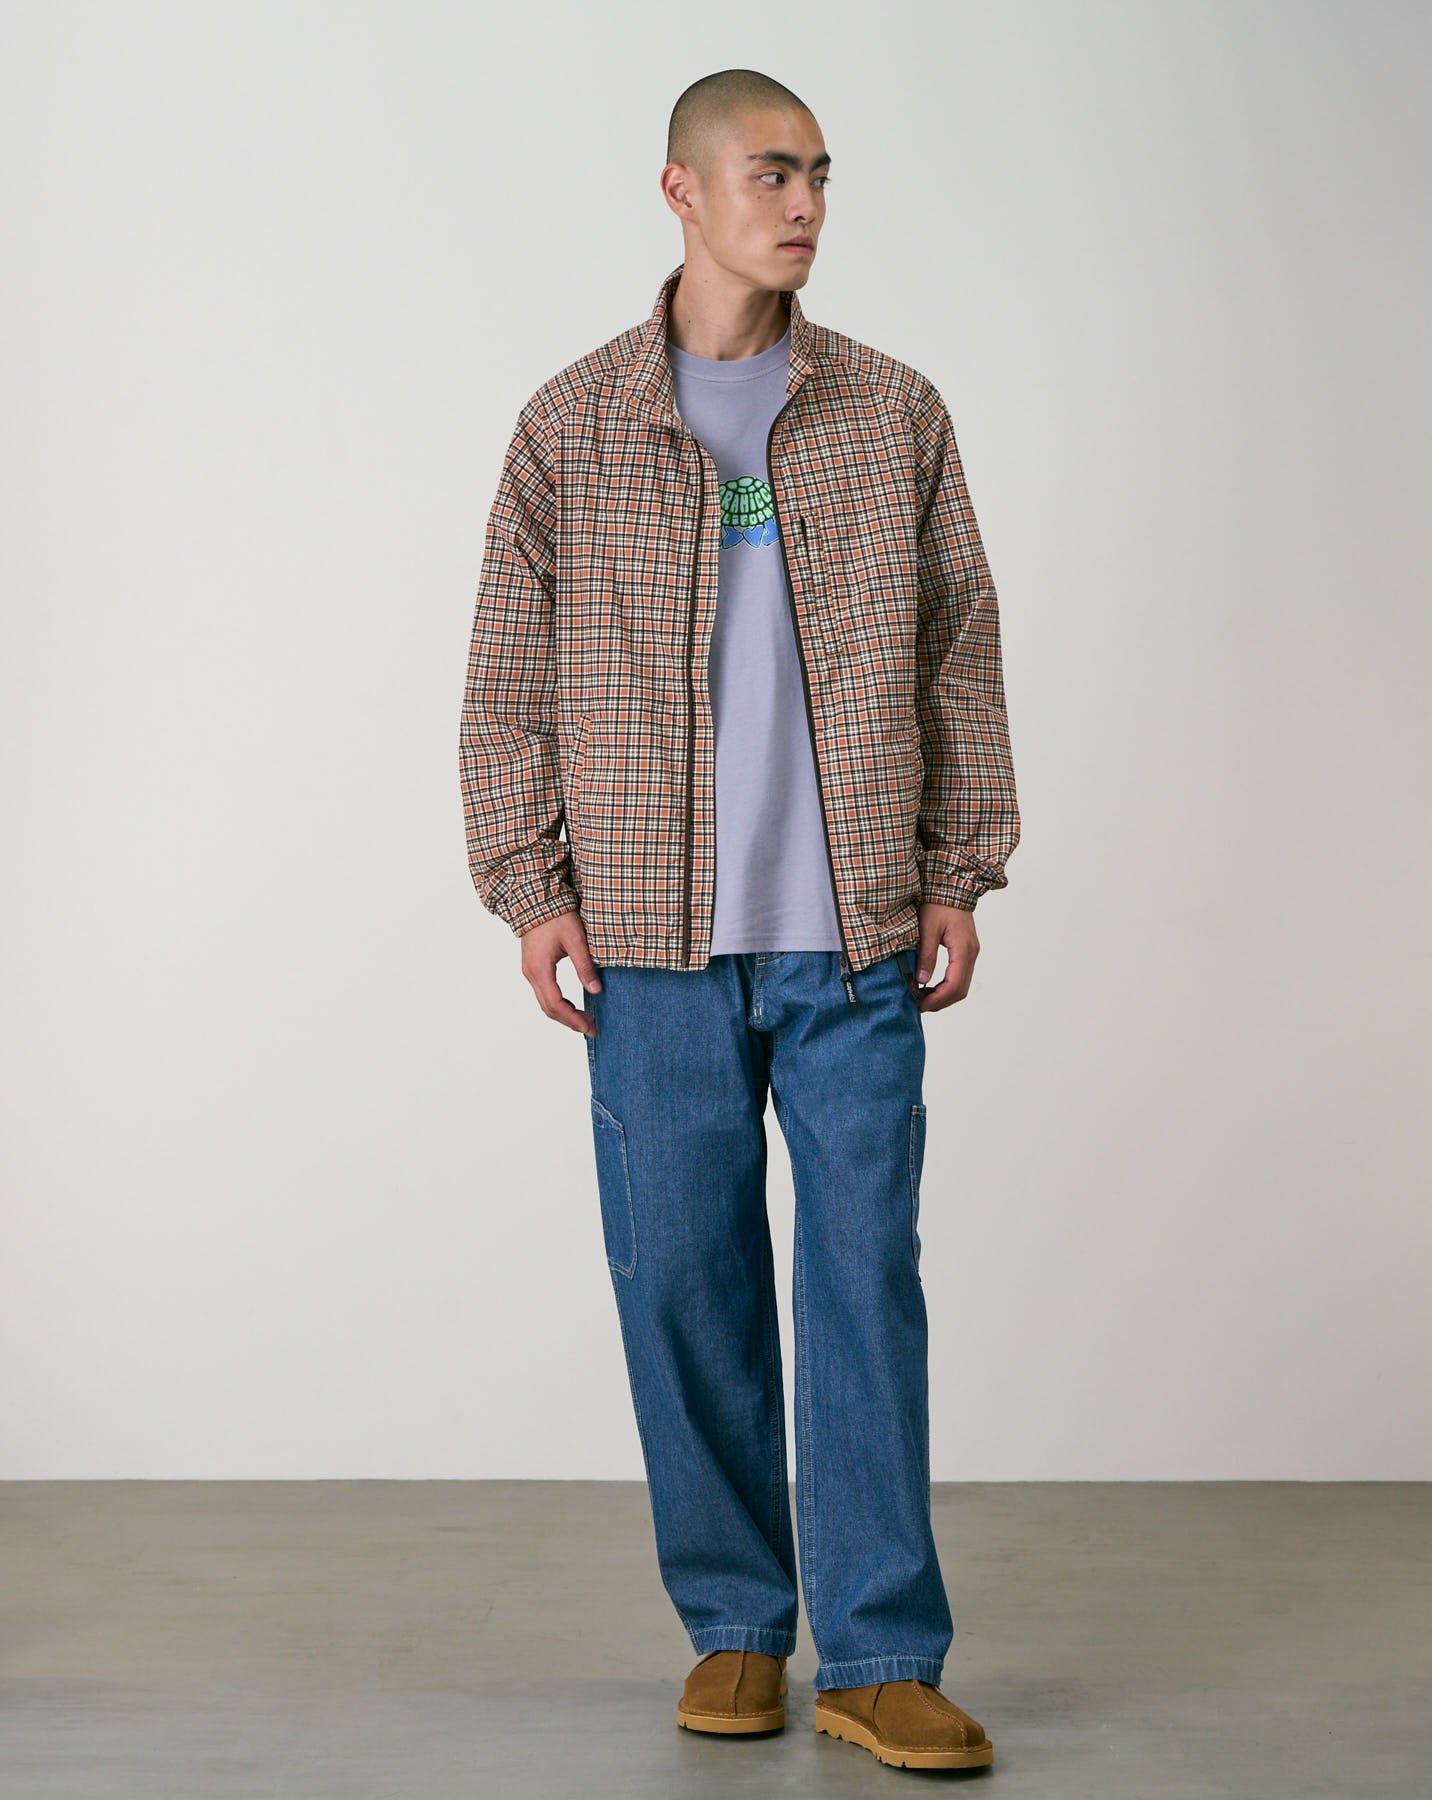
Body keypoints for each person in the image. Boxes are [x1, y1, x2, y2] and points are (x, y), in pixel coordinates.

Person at [459, 67, 1019, 1773]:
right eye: (773, 173)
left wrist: (956, 863)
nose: (807, 206)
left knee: (863, 1282)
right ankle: (736, 1628)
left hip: (852, 934)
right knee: (685, 1285)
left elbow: (960, 648)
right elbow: (505, 682)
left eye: (822, 176)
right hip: (648, 937)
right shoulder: (571, 426)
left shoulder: (893, 411)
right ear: (682, 191)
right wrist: (530, 888)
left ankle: (881, 1650)